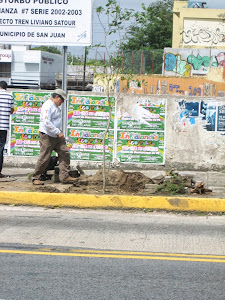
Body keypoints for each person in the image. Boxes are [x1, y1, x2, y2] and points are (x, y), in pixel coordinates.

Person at [32, 89, 76, 185]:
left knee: (65, 153)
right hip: (46, 135)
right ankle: (36, 177)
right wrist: (57, 132)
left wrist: (58, 132)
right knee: (44, 157)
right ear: (56, 97)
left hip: (56, 135)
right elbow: (47, 122)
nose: (62, 102)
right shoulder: (48, 105)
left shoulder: (56, 106)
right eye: (62, 99)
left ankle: (64, 176)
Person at [0, 81, 14, 178]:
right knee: (0, 149)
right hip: (3, 127)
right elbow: (12, 111)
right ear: (6, 88)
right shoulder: (9, 97)